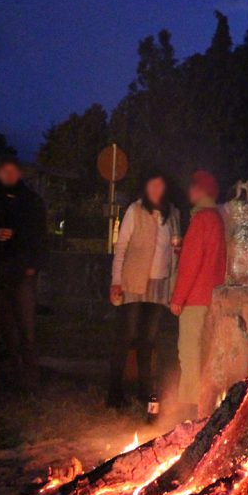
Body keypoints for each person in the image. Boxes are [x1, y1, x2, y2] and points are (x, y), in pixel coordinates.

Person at [108, 172, 180, 410]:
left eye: (160, 185)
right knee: (126, 336)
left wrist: (173, 283)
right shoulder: (135, 210)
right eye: (152, 185)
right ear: (145, 187)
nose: (156, 190)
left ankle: (144, 390)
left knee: (148, 340)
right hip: (134, 280)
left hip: (159, 284)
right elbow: (121, 247)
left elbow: (174, 252)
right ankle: (114, 392)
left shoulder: (172, 214)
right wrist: (116, 280)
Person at [0, 156, 47, 386]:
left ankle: (28, 379)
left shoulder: (32, 202)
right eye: (5, 172)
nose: (10, 176)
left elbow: (40, 237)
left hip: (22, 272)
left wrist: (33, 265)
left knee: (26, 329)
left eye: (14, 171)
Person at [170, 170, 226, 420]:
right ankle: (207, 406)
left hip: (195, 298)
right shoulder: (218, 218)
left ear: (200, 190)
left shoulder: (201, 219)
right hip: (213, 297)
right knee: (206, 352)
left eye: (192, 187)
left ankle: (191, 409)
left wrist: (177, 298)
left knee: (189, 352)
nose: (188, 192)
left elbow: (191, 264)